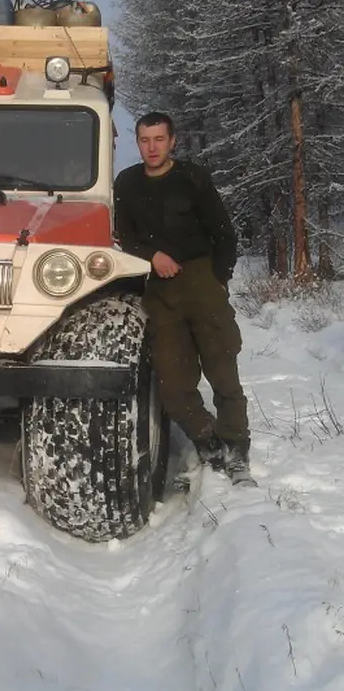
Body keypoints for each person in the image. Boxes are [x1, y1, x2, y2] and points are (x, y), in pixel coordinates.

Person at [113, 111, 256, 487]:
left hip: (202, 280)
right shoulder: (126, 182)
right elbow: (124, 236)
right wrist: (153, 256)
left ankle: (236, 448)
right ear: (138, 142)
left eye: (159, 139)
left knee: (223, 371)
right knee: (173, 385)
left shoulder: (192, 178)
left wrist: (219, 280)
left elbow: (223, 233)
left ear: (172, 141)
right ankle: (208, 441)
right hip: (161, 290)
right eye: (145, 140)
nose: (152, 147)